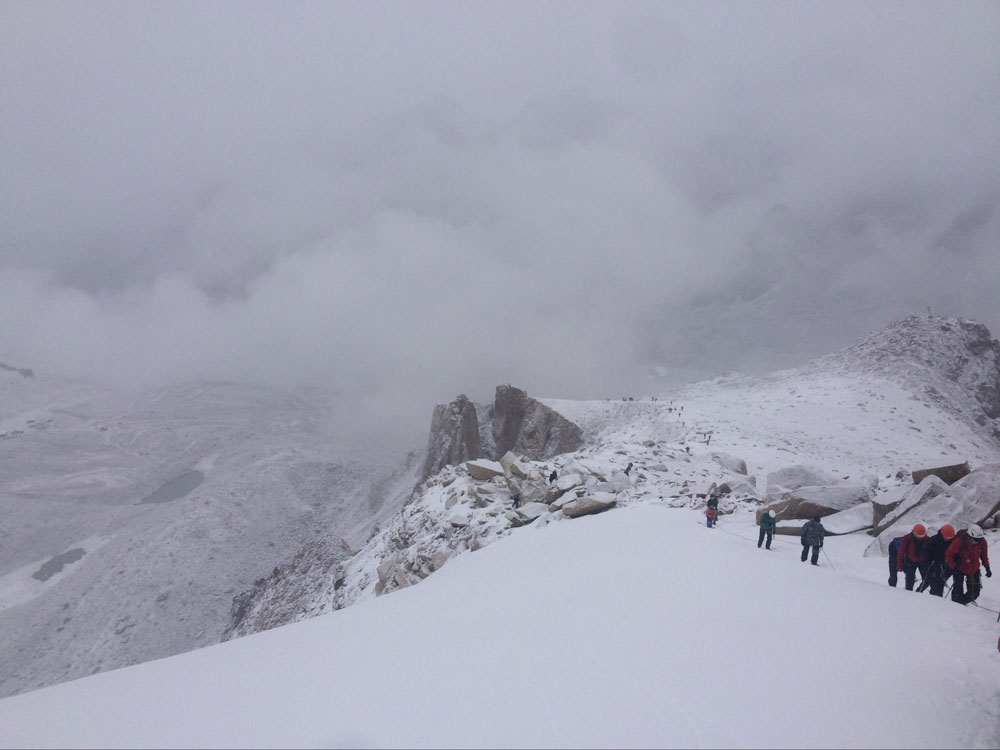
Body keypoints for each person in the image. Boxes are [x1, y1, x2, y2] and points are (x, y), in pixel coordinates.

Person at [947, 524, 991, 605]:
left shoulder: (982, 542)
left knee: (974, 593)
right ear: (969, 536)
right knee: (957, 591)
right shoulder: (960, 541)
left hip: (974, 569)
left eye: (979, 539)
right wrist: (953, 567)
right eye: (975, 539)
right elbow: (949, 554)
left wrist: (987, 567)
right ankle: (955, 606)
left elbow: (984, 555)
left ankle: (961, 604)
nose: (977, 541)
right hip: (959, 569)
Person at [918, 524, 956, 596]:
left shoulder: (954, 541)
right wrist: (930, 560)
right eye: (947, 537)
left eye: (950, 537)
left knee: (940, 584)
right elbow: (925, 552)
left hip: (946, 566)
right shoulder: (934, 540)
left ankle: (937, 599)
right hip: (934, 566)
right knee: (930, 581)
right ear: (942, 534)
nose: (948, 539)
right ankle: (920, 594)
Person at [896, 523, 930, 591]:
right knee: (910, 580)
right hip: (910, 561)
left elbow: (930, 551)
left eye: (922, 535)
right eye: (919, 535)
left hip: (922, 561)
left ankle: (918, 592)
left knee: (927, 579)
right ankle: (909, 595)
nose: (920, 537)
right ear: (914, 533)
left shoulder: (927, 539)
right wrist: (899, 564)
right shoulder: (906, 539)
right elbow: (901, 552)